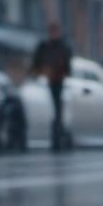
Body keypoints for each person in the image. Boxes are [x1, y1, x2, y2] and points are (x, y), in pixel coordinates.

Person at [31, 22, 73, 151]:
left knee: (57, 111)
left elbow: (67, 66)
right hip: (47, 81)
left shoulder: (62, 47)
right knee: (53, 110)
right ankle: (56, 138)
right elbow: (36, 64)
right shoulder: (44, 47)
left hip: (58, 82)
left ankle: (58, 138)